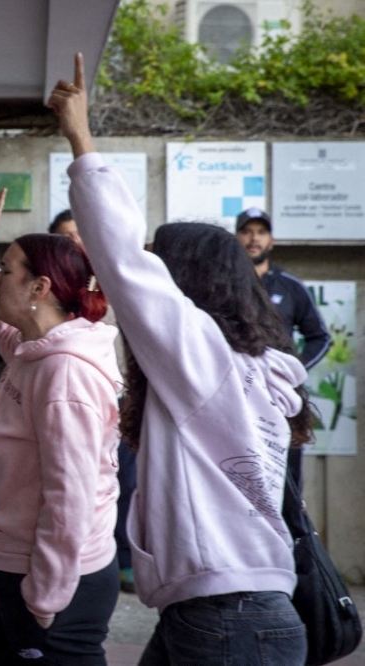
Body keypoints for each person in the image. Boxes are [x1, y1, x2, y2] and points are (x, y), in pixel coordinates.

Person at [50, 53, 313, 663]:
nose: (148, 277)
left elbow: (121, 261)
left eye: (159, 263)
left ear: (182, 282)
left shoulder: (206, 361)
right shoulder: (256, 368)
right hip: (226, 611)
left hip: (227, 620)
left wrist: (80, 137)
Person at [0, 184, 122, 665]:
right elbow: (2, 320)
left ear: (40, 288)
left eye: (6, 271)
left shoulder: (64, 373)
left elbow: (69, 498)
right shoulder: (34, 348)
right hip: (10, 562)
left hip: (49, 581)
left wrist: (46, 597)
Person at [49, 209, 137, 594]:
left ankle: (124, 562)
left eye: (78, 235)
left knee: (125, 486)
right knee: (72, 486)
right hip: (69, 403)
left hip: (119, 406)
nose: (73, 243)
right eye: (63, 237)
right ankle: (77, 563)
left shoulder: (116, 285)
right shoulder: (48, 292)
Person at [235, 207, 332, 371]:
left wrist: (295, 371)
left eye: (261, 232)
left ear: (271, 241)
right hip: (236, 382)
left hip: (278, 385)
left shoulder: (291, 285)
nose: (254, 238)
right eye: (246, 231)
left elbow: (320, 338)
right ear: (235, 239)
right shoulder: (222, 283)